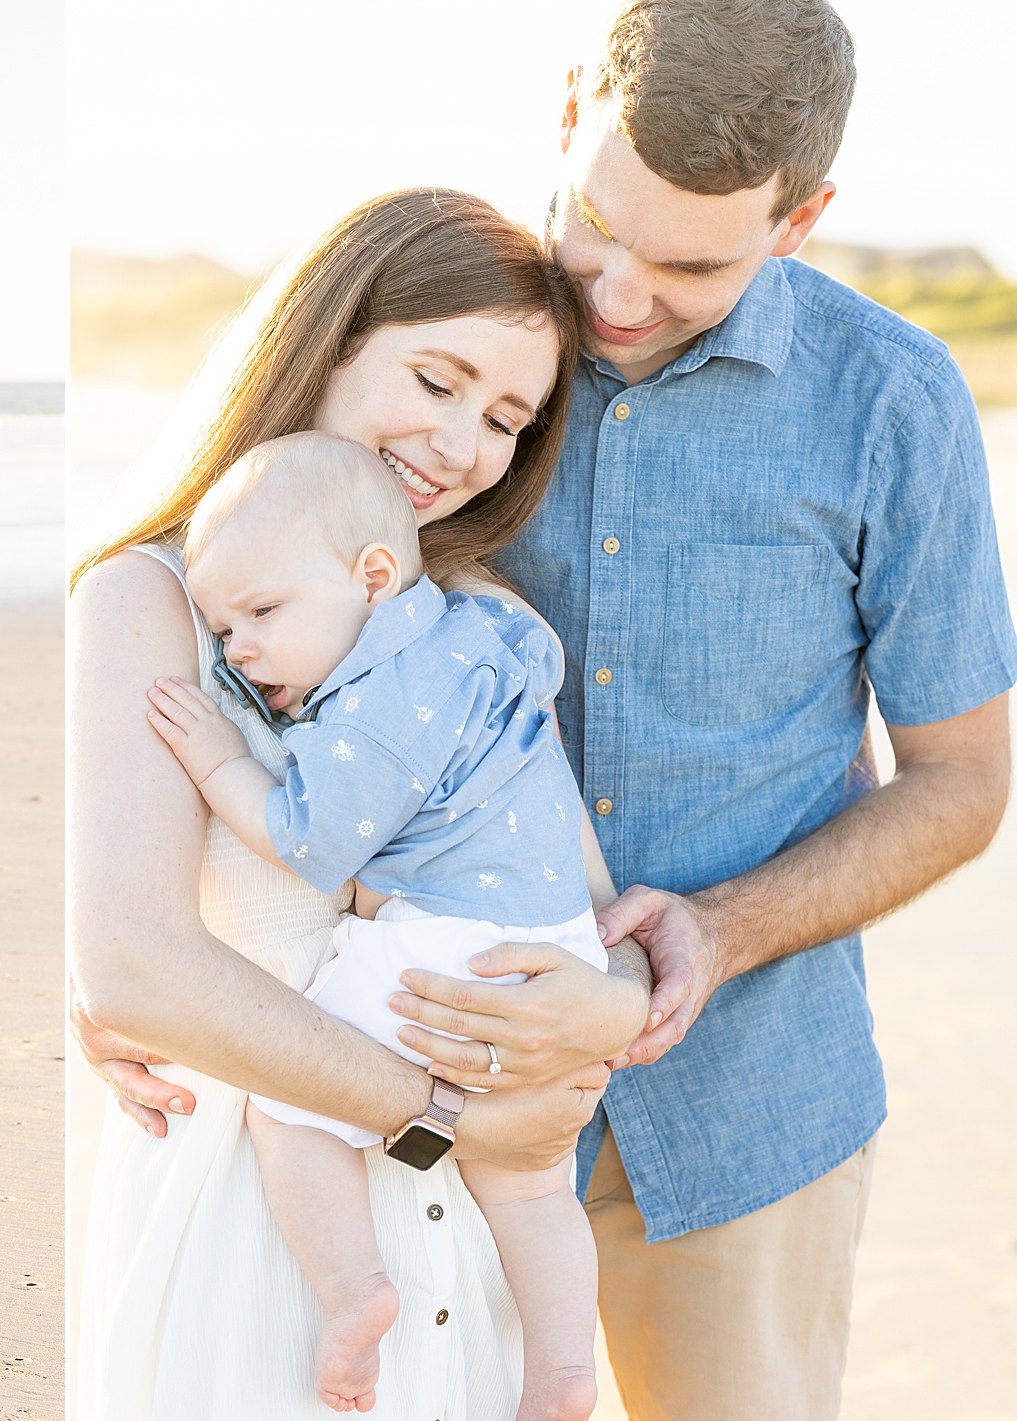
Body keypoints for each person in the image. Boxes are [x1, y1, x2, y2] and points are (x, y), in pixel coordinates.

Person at [486, 3, 1015, 1416]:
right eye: (599, 222)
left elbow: (963, 779)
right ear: (564, 120)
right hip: (435, 1100)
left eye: (692, 263)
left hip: (749, 1118)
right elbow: (222, 580)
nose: (616, 295)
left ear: (802, 219)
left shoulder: (895, 399)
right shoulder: (439, 330)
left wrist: (722, 930)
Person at [71, 190, 664, 1419]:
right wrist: (451, 1115)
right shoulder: (151, 600)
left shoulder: (478, 626)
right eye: (437, 380)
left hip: (471, 1221)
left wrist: (597, 1017)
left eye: (505, 416)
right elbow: (131, 958)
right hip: (265, 1202)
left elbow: (587, 917)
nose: (462, 443)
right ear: (328, 336)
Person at [146, 431, 608, 1418]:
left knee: (285, 1110)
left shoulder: (381, 698)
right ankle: (566, 1368)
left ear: (373, 573)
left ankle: (355, 1287)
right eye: (224, 631)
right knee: (530, 1187)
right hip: (560, 949)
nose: (242, 649)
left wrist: (218, 758)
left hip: (444, 950)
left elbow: (313, 838)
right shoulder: (482, 632)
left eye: (263, 613)